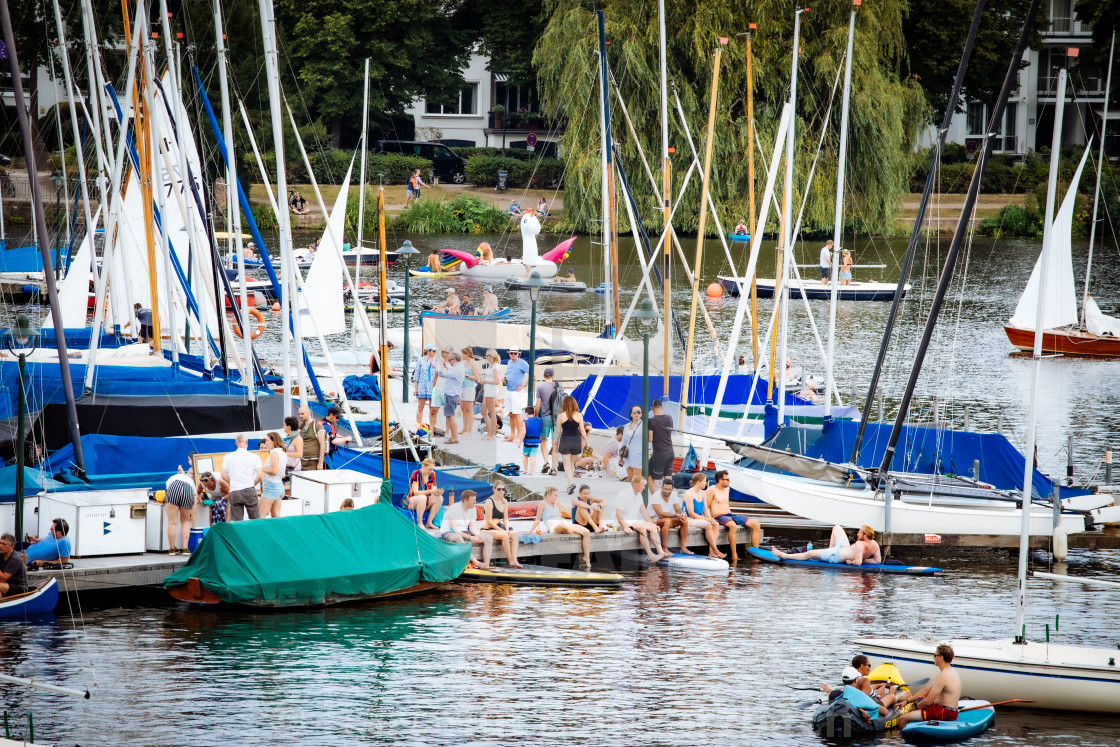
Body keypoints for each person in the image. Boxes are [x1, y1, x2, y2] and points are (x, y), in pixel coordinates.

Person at [529, 487, 594, 569]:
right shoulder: (543, 503)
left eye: (557, 496)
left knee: (586, 532)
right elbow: (537, 520)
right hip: (553, 524)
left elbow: (568, 512)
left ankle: (586, 558)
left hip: (563, 521)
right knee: (564, 527)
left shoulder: (557, 503)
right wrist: (530, 531)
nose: (556, 497)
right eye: (555, 495)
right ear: (548, 495)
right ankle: (570, 532)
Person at [897, 645, 961, 725]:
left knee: (902, 719)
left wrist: (915, 707)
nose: (933, 658)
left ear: (941, 657)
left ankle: (901, 737)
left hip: (944, 712)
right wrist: (907, 701)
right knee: (921, 698)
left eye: (935, 655)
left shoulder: (943, 675)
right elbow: (926, 690)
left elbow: (928, 702)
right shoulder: (950, 671)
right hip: (950, 711)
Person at [706, 470, 762, 561]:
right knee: (732, 525)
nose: (729, 481)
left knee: (756, 524)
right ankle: (734, 555)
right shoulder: (711, 489)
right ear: (720, 480)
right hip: (718, 516)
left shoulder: (727, 488)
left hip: (729, 514)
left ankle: (756, 555)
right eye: (727, 479)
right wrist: (709, 519)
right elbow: (706, 507)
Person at [615, 475, 668, 562]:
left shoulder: (639, 496)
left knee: (653, 527)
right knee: (642, 528)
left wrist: (651, 524)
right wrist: (625, 527)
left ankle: (661, 552)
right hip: (621, 523)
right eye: (643, 485)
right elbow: (618, 514)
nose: (644, 487)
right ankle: (651, 556)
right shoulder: (624, 495)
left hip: (633, 522)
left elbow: (644, 512)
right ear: (636, 485)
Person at [772, 524, 881, 566]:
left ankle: (783, 555)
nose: (857, 534)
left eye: (859, 532)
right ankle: (828, 551)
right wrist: (863, 559)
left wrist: (850, 562)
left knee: (809, 553)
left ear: (865, 535)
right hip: (841, 548)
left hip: (836, 556)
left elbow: (857, 563)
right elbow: (877, 561)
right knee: (837, 527)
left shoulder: (860, 544)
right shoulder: (875, 544)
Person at [439, 490, 494, 568]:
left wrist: (478, 536)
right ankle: (477, 563)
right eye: (473, 500)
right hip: (448, 533)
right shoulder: (454, 508)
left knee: (488, 538)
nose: (475, 502)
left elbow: (472, 527)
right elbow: (454, 530)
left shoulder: (473, 509)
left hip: (464, 532)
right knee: (459, 537)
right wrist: (471, 537)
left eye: (475, 499)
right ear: (465, 501)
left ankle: (486, 565)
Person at [480, 483, 523, 568]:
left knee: (514, 534)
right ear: (494, 489)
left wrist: (506, 529)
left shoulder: (504, 501)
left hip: (500, 526)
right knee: (504, 535)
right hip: (488, 528)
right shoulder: (489, 501)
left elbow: (505, 519)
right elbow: (489, 521)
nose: (501, 491)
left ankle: (515, 560)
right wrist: (501, 530)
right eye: (499, 489)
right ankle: (510, 561)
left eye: (503, 489)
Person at [683, 473, 726, 558]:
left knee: (715, 524)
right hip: (689, 518)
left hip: (699, 517)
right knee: (708, 525)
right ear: (698, 482)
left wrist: (710, 518)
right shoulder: (689, 494)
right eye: (704, 481)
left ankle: (711, 552)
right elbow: (691, 513)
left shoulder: (702, 493)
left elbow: (706, 509)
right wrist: (705, 519)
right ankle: (716, 550)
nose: (706, 483)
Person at [223, 433, 263, 521]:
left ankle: (238, 535)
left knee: (237, 521)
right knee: (255, 519)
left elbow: (223, 475)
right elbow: (260, 475)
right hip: (249, 489)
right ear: (246, 441)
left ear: (235, 443)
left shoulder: (228, 457)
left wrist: (232, 480)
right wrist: (253, 482)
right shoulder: (254, 457)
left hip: (235, 490)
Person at [648, 477, 691, 555]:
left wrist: (681, 514)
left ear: (672, 489)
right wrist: (675, 515)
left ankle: (683, 547)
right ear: (661, 488)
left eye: (669, 489)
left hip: (667, 518)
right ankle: (664, 548)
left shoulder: (674, 495)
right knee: (667, 521)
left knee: (684, 520)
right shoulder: (656, 496)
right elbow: (660, 514)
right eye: (665, 489)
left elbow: (678, 510)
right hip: (653, 519)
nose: (666, 491)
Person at [556, 395, 586, 494]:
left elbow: (558, 431)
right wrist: (587, 442)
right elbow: (582, 430)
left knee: (566, 464)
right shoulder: (579, 415)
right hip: (576, 440)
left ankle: (571, 482)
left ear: (564, 404)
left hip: (565, 440)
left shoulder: (561, 415)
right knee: (572, 464)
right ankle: (569, 485)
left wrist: (556, 442)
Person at [534, 367, 560, 475]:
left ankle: (546, 462)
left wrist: (535, 416)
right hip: (557, 418)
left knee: (543, 440)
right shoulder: (559, 386)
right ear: (553, 376)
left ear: (544, 376)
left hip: (545, 417)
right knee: (555, 443)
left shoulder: (540, 387)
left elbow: (538, 405)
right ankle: (554, 468)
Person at [163, 471, 197, 554]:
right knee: (185, 521)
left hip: (173, 488)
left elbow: (167, 490)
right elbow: (195, 500)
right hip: (187, 490)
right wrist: (194, 523)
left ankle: (172, 549)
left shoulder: (172, 478)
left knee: (172, 523)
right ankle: (185, 548)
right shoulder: (190, 481)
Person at [647, 399, 675, 494]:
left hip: (659, 453)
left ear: (651, 408)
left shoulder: (651, 421)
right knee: (668, 479)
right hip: (670, 452)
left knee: (650, 478)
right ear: (662, 407)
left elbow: (650, 439)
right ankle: (669, 500)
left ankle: (657, 500)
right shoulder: (669, 418)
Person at [407, 457, 444, 529]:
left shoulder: (433, 474)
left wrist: (438, 492)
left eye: (432, 469)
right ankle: (420, 523)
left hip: (425, 500)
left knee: (440, 498)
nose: (431, 471)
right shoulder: (416, 473)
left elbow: (433, 489)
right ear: (423, 466)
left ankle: (429, 522)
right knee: (422, 497)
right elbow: (416, 492)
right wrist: (431, 491)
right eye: (429, 469)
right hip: (411, 500)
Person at [503, 348, 530, 444]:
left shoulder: (523, 363)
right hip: (508, 390)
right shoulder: (509, 362)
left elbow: (532, 375)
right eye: (511, 353)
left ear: (518, 354)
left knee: (517, 413)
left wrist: (524, 385)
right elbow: (507, 375)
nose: (513, 355)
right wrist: (504, 380)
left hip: (516, 392)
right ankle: (512, 435)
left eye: (515, 353)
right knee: (511, 414)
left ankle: (519, 436)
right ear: (509, 354)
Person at [260, 431, 287, 518]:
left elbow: (274, 471)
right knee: (276, 515)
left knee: (261, 515)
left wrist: (261, 469)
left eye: (267, 440)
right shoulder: (283, 452)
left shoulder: (274, 453)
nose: (266, 443)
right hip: (279, 485)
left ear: (273, 441)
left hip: (271, 485)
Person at [441, 351, 465, 444]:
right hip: (451, 394)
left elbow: (445, 373)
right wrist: (445, 366)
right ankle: (453, 436)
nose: (449, 362)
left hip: (451, 395)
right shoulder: (456, 368)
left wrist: (442, 365)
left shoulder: (458, 369)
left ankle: (454, 437)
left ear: (454, 360)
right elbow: (446, 372)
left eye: (450, 360)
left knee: (451, 416)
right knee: (449, 416)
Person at [412, 343, 438, 428]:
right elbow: (416, 374)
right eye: (433, 351)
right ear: (428, 351)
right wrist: (416, 388)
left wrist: (435, 366)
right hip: (422, 386)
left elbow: (441, 372)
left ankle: (432, 427)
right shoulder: (421, 360)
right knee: (420, 407)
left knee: (432, 408)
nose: (434, 352)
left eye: (435, 351)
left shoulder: (437, 361)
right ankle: (418, 425)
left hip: (433, 386)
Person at [480, 349, 502, 440]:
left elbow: (497, 381)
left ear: (491, 356)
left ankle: (491, 434)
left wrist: (485, 381)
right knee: (483, 411)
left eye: (487, 356)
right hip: (487, 390)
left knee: (492, 412)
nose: (486, 357)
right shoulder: (491, 365)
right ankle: (489, 432)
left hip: (491, 391)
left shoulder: (495, 366)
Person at [459, 347, 481, 436]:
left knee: (469, 409)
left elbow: (477, 377)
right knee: (463, 409)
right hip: (462, 387)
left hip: (469, 388)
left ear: (467, 354)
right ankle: (464, 428)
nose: (462, 356)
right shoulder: (463, 363)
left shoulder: (473, 364)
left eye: (463, 354)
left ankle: (469, 430)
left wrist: (467, 375)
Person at [299, 405, 327, 471]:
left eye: (302, 413)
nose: (300, 416)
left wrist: (320, 462)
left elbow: (322, 445)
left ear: (309, 413)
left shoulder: (317, 425)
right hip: (302, 460)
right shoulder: (301, 426)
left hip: (314, 461)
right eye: (299, 414)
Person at [620, 405, 644, 482]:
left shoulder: (644, 425)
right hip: (628, 456)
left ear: (641, 414)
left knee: (636, 481)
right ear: (631, 414)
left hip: (638, 456)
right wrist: (620, 457)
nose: (636, 414)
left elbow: (649, 441)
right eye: (634, 412)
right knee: (631, 480)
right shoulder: (626, 426)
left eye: (638, 412)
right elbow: (624, 442)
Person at [281, 416, 303, 481]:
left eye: (284, 425)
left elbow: (300, 454)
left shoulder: (297, 439)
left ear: (289, 427)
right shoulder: (288, 438)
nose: (283, 427)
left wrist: (285, 453)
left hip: (294, 469)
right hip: (286, 468)